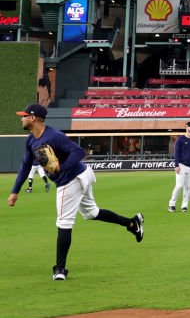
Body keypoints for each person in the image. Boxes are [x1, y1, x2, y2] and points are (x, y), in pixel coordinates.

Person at [7, 103, 143, 281]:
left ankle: (60, 269)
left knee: (64, 222)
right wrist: (15, 191)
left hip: (71, 180)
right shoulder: (31, 140)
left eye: (24, 115)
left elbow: (78, 152)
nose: (21, 118)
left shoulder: (54, 136)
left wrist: (62, 168)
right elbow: (25, 166)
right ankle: (132, 223)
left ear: (33, 118)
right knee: (92, 213)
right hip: (82, 176)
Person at [168, 121, 190, 213]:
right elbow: (176, 153)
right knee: (179, 186)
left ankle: (184, 206)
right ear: (186, 127)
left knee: (187, 187)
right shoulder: (180, 139)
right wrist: (176, 165)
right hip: (181, 165)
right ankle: (171, 204)